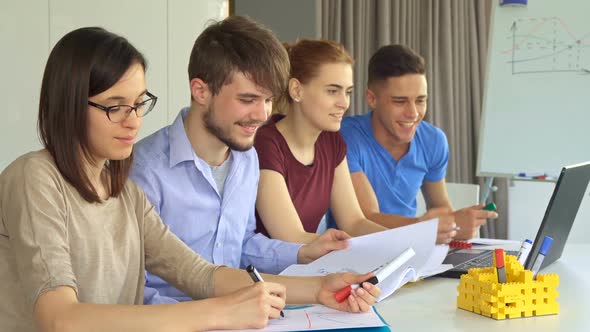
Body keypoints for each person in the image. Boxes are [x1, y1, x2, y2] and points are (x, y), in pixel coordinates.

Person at [0, 27, 380, 332]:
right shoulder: (34, 178)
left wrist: (318, 290)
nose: (133, 120)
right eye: (116, 107)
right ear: (68, 103)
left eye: (138, 104)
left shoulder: (124, 192)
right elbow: (60, 319)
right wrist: (218, 313)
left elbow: (199, 273)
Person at [131, 16, 352, 305]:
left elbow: (241, 245)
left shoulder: (247, 158)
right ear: (201, 91)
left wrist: (301, 252)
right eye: (248, 100)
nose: (263, 115)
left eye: (269, 100)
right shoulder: (144, 170)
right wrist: (219, 316)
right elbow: (135, 289)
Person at [336, 44, 498, 242]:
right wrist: (426, 228)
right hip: (355, 253)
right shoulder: (344, 137)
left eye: (420, 100)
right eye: (400, 101)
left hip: (412, 250)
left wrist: (453, 225)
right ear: (372, 98)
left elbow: (440, 208)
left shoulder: (434, 141)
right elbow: (364, 219)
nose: (413, 113)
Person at [254, 39, 388, 245]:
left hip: (309, 268)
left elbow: (353, 222)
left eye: (348, 92)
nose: (344, 103)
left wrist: (402, 243)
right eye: (332, 91)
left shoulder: (332, 142)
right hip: (267, 273)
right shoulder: (265, 144)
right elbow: (291, 237)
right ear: (296, 90)